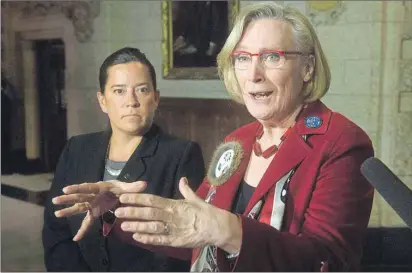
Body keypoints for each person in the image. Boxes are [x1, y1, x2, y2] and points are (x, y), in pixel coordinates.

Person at [52, 3, 374, 271]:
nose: (254, 73)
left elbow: (329, 259)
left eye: (272, 56)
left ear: (307, 68)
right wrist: (119, 209)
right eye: (243, 58)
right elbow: (191, 232)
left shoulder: (341, 142)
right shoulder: (240, 140)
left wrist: (227, 230)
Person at [42, 47, 205, 271]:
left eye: (142, 90)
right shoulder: (77, 148)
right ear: (102, 101)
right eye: (119, 91)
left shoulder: (182, 154)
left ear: (155, 98)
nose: (131, 101)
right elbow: (56, 229)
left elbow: (185, 246)